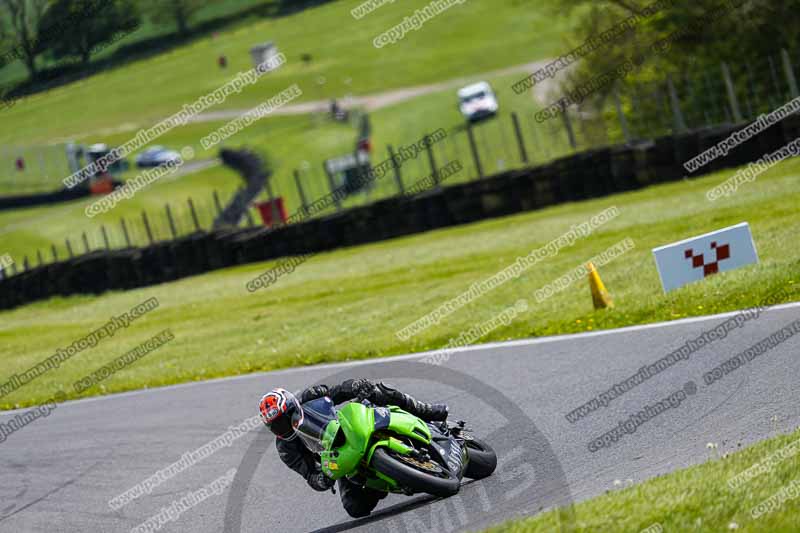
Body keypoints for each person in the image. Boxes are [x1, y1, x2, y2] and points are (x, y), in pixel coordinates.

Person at [259, 379, 448, 518]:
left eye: (285, 418)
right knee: (355, 508)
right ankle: (385, 479)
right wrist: (322, 480)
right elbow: (309, 474)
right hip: (339, 457)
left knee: (379, 390)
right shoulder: (286, 448)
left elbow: (338, 391)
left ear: (293, 406)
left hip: (351, 425)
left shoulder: (310, 397)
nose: (283, 426)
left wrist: (356, 386)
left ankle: (427, 411)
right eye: (276, 425)